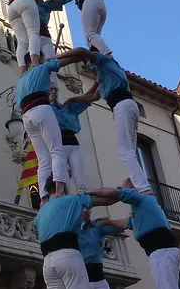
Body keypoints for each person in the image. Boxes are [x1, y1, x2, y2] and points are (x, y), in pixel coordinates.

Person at [59, 48, 151, 194]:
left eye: (87, 62)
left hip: (122, 106)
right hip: (129, 106)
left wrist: (56, 58)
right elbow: (94, 97)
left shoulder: (104, 61)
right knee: (130, 149)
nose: (87, 65)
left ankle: (144, 188)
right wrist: (73, 98)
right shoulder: (107, 75)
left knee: (124, 150)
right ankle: (135, 182)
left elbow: (81, 51)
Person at [16, 50, 87, 202]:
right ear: (38, 59)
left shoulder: (20, 80)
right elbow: (71, 59)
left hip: (27, 117)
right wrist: (84, 56)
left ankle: (43, 198)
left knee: (43, 160)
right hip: (42, 109)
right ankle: (59, 190)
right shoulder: (43, 67)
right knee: (57, 151)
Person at [6, 0, 55, 71]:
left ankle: (22, 70)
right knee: (33, 33)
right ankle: (35, 63)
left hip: (12, 6)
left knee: (22, 40)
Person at [50, 83, 99, 195]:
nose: (54, 92)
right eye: (51, 89)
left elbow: (90, 97)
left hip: (73, 143)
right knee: (60, 178)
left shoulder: (68, 108)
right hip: (59, 143)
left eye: (55, 89)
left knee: (80, 180)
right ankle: (58, 197)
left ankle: (83, 204)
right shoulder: (46, 109)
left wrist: (96, 83)